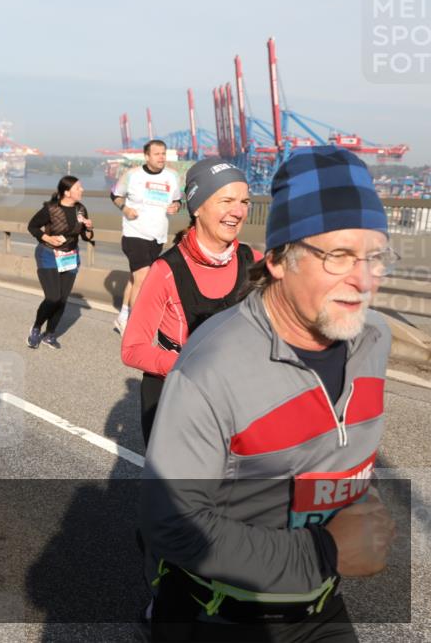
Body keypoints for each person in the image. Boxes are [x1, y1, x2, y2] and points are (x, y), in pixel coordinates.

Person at [140, 146, 399, 642]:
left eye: (375, 257)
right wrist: (325, 552)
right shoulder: (211, 367)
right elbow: (171, 525)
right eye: (338, 256)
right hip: (220, 617)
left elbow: (337, 441)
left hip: (321, 605)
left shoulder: (374, 338)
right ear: (280, 259)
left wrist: (360, 497)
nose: (363, 280)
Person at [121, 159, 261, 446]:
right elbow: (132, 350)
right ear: (197, 207)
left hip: (234, 394)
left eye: (245, 201)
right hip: (174, 394)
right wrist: (191, 366)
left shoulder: (255, 261)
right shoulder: (166, 270)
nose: (238, 211)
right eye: (227, 200)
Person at [110, 139, 182, 334]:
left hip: (157, 235)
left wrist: (176, 207)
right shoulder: (132, 175)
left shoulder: (172, 176)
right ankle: (136, 325)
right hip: (134, 233)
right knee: (142, 278)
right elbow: (115, 194)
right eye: (157, 154)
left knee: (136, 278)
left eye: (163, 154)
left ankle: (123, 317)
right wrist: (125, 208)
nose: (161, 157)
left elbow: (177, 200)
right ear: (147, 156)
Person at [25, 175, 94, 349]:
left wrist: (89, 228)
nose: (82, 190)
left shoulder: (81, 209)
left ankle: (50, 334)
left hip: (70, 256)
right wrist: (47, 236)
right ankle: (36, 328)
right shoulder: (50, 209)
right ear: (67, 192)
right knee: (53, 297)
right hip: (48, 254)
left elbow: (86, 237)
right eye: (78, 188)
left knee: (62, 300)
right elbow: (32, 226)